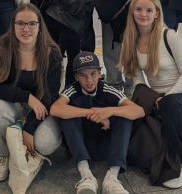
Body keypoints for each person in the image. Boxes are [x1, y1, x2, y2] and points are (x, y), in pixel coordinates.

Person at [121, 0, 182, 189]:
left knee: (169, 104)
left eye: (149, 10)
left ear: (157, 13)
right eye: (139, 9)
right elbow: (138, 82)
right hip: (159, 98)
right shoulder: (130, 40)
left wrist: (165, 97)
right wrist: (146, 102)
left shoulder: (169, 36)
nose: (143, 14)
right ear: (132, 12)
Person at [0, 4, 62, 184]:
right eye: (20, 23)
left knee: (46, 144)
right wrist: (27, 97)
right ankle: (3, 154)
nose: (26, 29)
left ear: (39, 26)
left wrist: (30, 128)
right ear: (13, 26)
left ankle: (23, 146)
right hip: (14, 105)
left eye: (32, 24)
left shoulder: (52, 53)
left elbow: (50, 96)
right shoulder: (2, 48)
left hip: (42, 109)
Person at [51, 51, 144, 194]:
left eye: (93, 74)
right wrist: (92, 113)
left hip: (107, 147)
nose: (89, 80)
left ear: (100, 73)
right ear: (76, 77)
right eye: (83, 75)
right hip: (81, 147)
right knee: (67, 116)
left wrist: (109, 111)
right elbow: (55, 109)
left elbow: (139, 111)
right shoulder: (72, 90)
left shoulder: (107, 89)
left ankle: (112, 178)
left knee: (124, 115)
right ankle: (86, 176)